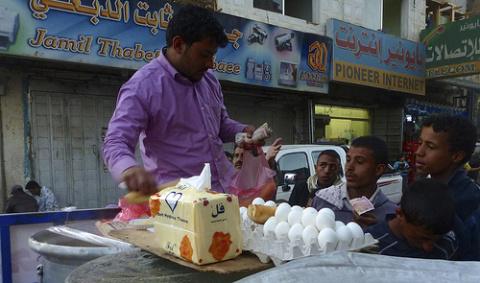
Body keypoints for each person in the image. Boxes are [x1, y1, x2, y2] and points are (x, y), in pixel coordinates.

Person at [103, 5, 253, 195]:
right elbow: (115, 140)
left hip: (225, 193)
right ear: (178, 44)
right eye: (204, 55)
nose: (210, 64)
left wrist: (242, 131)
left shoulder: (209, 79)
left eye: (213, 55)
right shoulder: (143, 86)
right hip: (179, 204)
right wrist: (129, 169)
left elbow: (221, 125)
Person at [414, 114, 480, 260]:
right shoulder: (425, 187)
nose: (419, 152)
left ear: (456, 156)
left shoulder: (468, 202)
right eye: (420, 143)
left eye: (430, 146)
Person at [311, 136, 397, 228]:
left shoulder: (392, 214)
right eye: (348, 160)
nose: (349, 167)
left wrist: (376, 230)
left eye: (359, 162)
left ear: (378, 170)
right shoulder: (323, 200)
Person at [366, 179, 458, 260]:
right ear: (400, 214)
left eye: (437, 240)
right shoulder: (369, 245)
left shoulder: (448, 241)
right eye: (422, 238)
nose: (428, 248)